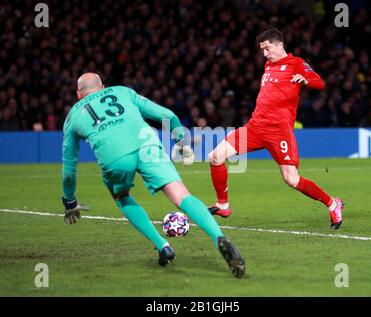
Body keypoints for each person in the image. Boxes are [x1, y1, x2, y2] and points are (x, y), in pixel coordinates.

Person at [61, 73, 245, 278]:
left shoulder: (73, 116)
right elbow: (167, 115)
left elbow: (69, 171)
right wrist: (181, 141)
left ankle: (163, 246)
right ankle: (219, 237)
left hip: (114, 157)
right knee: (181, 195)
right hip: (147, 144)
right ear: (103, 87)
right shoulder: (122, 91)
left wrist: (69, 202)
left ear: (78, 94)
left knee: (122, 196)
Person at [207, 29, 344, 229]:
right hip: (254, 127)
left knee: (291, 179)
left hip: (279, 132)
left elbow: (319, 82)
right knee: (215, 156)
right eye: (262, 50)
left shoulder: (296, 63)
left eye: (267, 48)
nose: (265, 53)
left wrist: (306, 81)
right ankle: (223, 204)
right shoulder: (268, 65)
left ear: (279, 44)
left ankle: (333, 204)